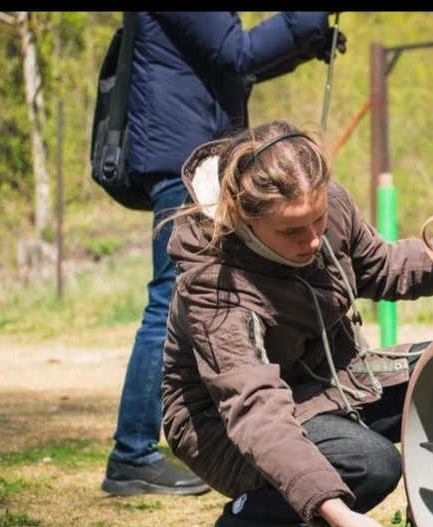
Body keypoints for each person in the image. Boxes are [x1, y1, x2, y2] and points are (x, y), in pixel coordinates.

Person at [160, 120, 433, 527]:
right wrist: (340, 514)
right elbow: (258, 413)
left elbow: (382, 265)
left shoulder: (320, 203)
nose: (313, 239)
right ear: (243, 219)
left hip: (330, 383)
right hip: (225, 424)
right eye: (292, 230)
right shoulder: (215, 286)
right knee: (369, 466)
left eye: (317, 220)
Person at [102, 12, 344, 497]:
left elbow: (228, 64)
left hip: (191, 145)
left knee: (172, 298)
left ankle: (140, 448)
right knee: (170, 298)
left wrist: (301, 44)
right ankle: (131, 452)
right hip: (184, 158)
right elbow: (237, 52)